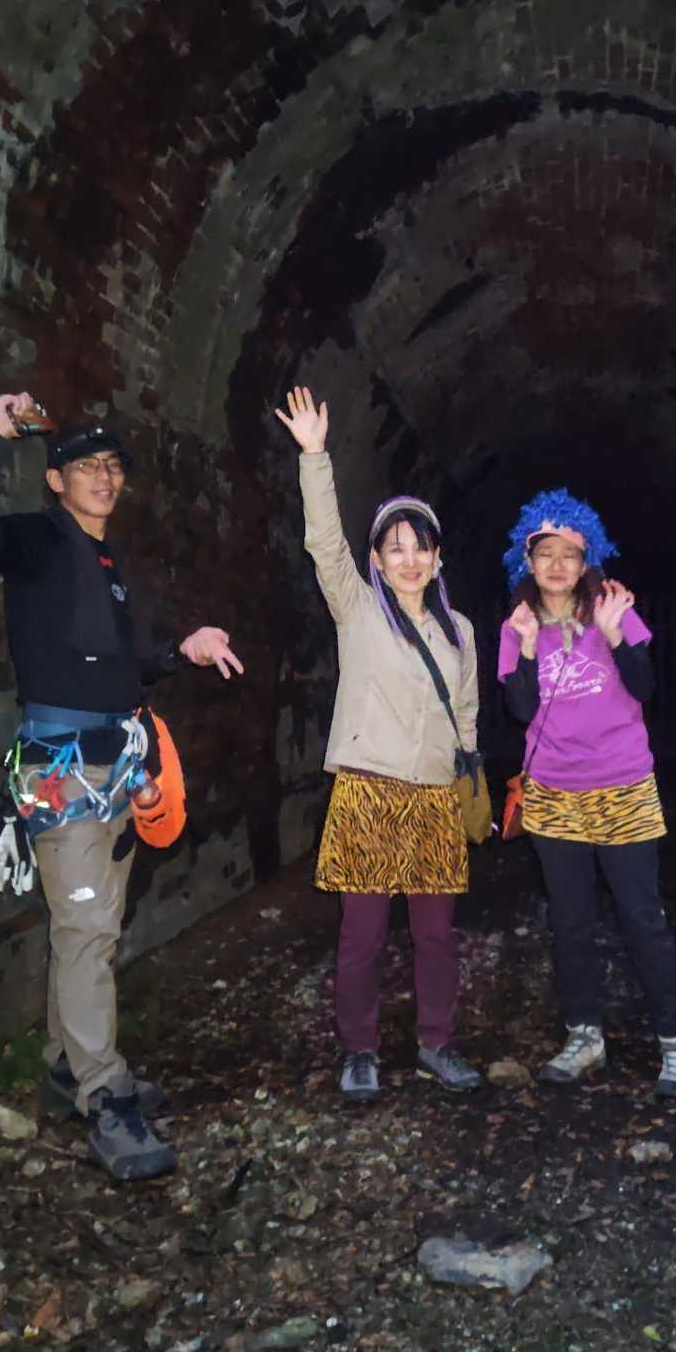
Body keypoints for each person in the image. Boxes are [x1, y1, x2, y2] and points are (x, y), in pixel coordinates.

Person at [0, 391, 243, 1181]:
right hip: (62, 770)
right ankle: (106, 1096)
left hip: (117, 766)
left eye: (112, 467)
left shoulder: (110, 568)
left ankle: (64, 1066)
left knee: (90, 924)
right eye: (85, 466)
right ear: (56, 480)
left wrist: (182, 649)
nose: (103, 477)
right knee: (87, 931)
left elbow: (125, 665)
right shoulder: (38, 540)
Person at [276, 386, 482, 1103]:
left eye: (419, 547)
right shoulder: (359, 610)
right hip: (368, 790)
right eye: (395, 549)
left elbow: (466, 711)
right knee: (361, 935)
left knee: (436, 935)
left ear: (437, 557)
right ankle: (359, 1050)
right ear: (377, 559)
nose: (409, 559)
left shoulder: (461, 632)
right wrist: (315, 456)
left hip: (434, 798)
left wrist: (468, 777)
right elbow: (324, 546)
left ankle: (436, 1041)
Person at [497, 489, 676, 1094]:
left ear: (588, 561)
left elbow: (645, 687)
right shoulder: (517, 625)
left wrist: (613, 636)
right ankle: (583, 1035)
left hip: (623, 785)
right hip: (554, 792)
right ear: (527, 560)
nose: (558, 565)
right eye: (546, 553)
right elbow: (520, 709)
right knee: (570, 920)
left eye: (571, 554)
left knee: (642, 916)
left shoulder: (613, 610)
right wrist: (526, 647)